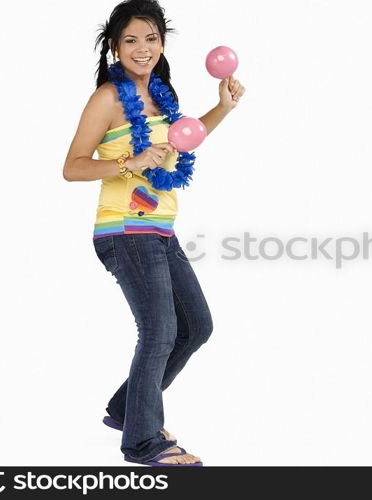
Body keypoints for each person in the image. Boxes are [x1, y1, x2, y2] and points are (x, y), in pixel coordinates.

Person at [62, 0, 245, 466]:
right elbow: (72, 167)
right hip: (123, 229)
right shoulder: (107, 98)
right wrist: (129, 160)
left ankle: (128, 409)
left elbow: (186, 138)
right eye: (130, 40)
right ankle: (142, 441)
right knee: (160, 330)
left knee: (196, 326)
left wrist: (222, 108)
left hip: (160, 229)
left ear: (162, 44)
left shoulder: (163, 94)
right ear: (114, 47)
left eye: (151, 39)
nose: (142, 49)